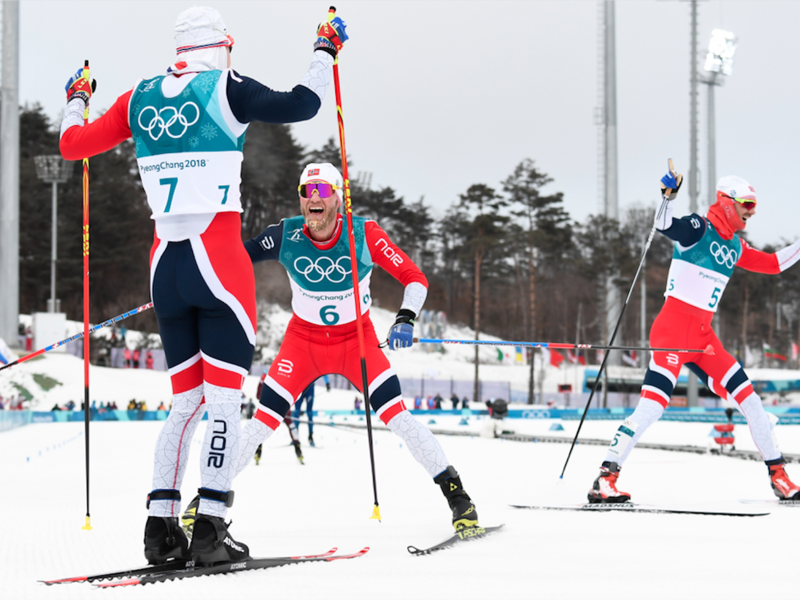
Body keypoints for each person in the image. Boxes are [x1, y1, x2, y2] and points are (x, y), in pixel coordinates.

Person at [59, 6, 348, 565]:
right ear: (222, 46)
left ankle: (160, 530)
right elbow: (303, 104)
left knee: (184, 403)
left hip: (164, 264)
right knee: (221, 405)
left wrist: (76, 97)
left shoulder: (138, 96)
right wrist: (325, 50)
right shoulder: (226, 86)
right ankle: (212, 527)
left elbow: (74, 146)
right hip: (218, 264)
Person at [231, 162, 480, 532]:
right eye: (306, 192)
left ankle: (458, 498)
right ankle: (208, 500)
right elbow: (235, 256)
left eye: (322, 192)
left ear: (337, 198)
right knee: (260, 424)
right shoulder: (285, 234)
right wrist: (200, 275)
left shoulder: (363, 234)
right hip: (303, 342)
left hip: (357, 342)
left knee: (399, 419)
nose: (313, 199)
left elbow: (414, 278)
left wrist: (405, 319)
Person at [589, 168, 800, 503]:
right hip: (672, 333)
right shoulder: (700, 229)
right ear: (727, 202)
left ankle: (780, 476)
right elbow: (664, 225)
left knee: (751, 403)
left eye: (754, 205)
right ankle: (605, 478)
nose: (752, 211)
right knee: (653, 406)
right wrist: (668, 198)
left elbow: (774, 264)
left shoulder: (735, 246)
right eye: (747, 203)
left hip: (703, 340)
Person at [293, 381, 317, 446]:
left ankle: (310, 436)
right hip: (299, 386)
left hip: (310, 387)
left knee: (309, 413)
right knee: (296, 412)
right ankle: (295, 437)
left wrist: (327, 383)